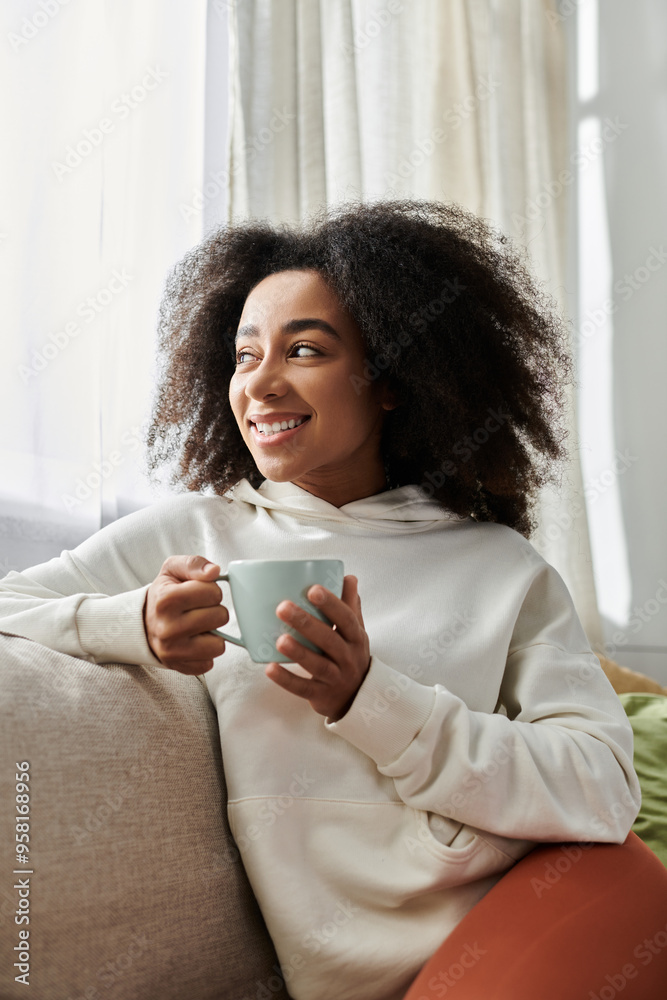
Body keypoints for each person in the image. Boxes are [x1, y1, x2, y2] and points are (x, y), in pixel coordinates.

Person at [0, 200, 641, 1000]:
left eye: (303, 350)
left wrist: (369, 698)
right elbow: (8, 601)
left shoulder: (500, 566)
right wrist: (131, 623)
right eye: (242, 356)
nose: (260, 383)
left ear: (393, 383)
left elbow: (605, 788)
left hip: (548, 911)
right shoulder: (197, 530)